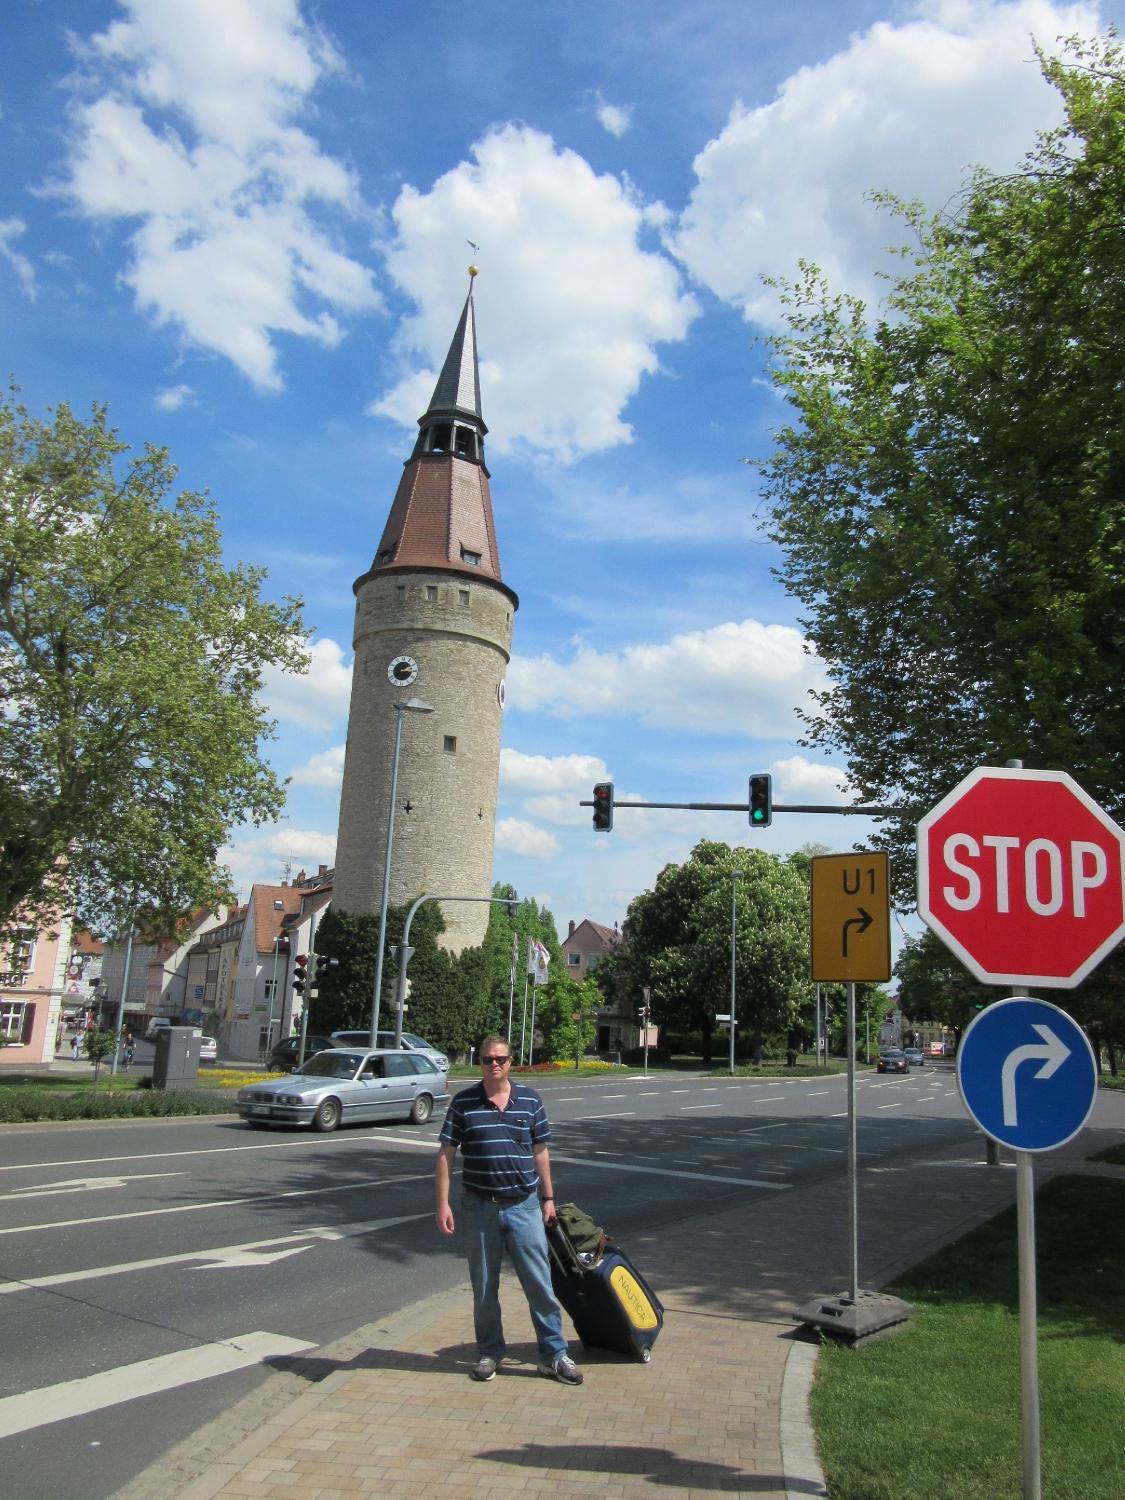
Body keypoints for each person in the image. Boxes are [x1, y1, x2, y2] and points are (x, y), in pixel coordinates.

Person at [435, 1034, 583, 1386]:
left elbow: (540, 1152)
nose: (494, 1065)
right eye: (488, 1059)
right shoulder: (464, 1103)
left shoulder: (530, 1101)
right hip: (479, 1207)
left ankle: (554, 1355)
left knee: (539, 1284)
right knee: (484, 1287)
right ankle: (490, 1352)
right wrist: (442, 1203)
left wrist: (549, 1199)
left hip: (524, 1206)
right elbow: (446, 1154)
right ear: (480, 1062)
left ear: (510, 1061)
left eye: (500, 1059)